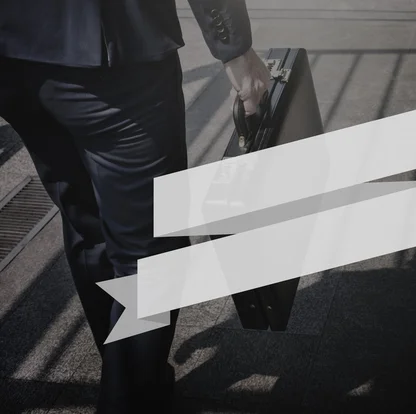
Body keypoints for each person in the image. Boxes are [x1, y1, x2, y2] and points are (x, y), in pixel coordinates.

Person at [0, 0, 270, 412]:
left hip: (13, 54)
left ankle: (129, 371)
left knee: (87, 224)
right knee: (149, 250)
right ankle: (131, 394)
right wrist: (234, 48)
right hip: (112, 52)